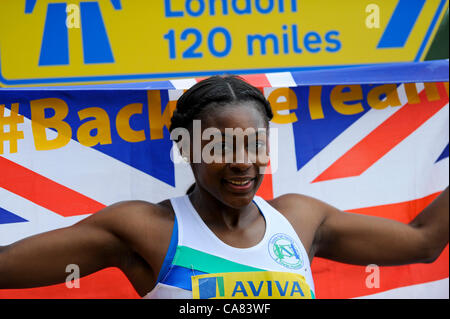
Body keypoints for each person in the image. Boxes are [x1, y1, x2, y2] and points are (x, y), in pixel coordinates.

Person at [0, 75, 448, 299]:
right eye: (219, 147)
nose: (242, 163)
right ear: (185, 147)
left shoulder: (300, 219)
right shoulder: (144, 229)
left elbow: (424, 243)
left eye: (253, 144)